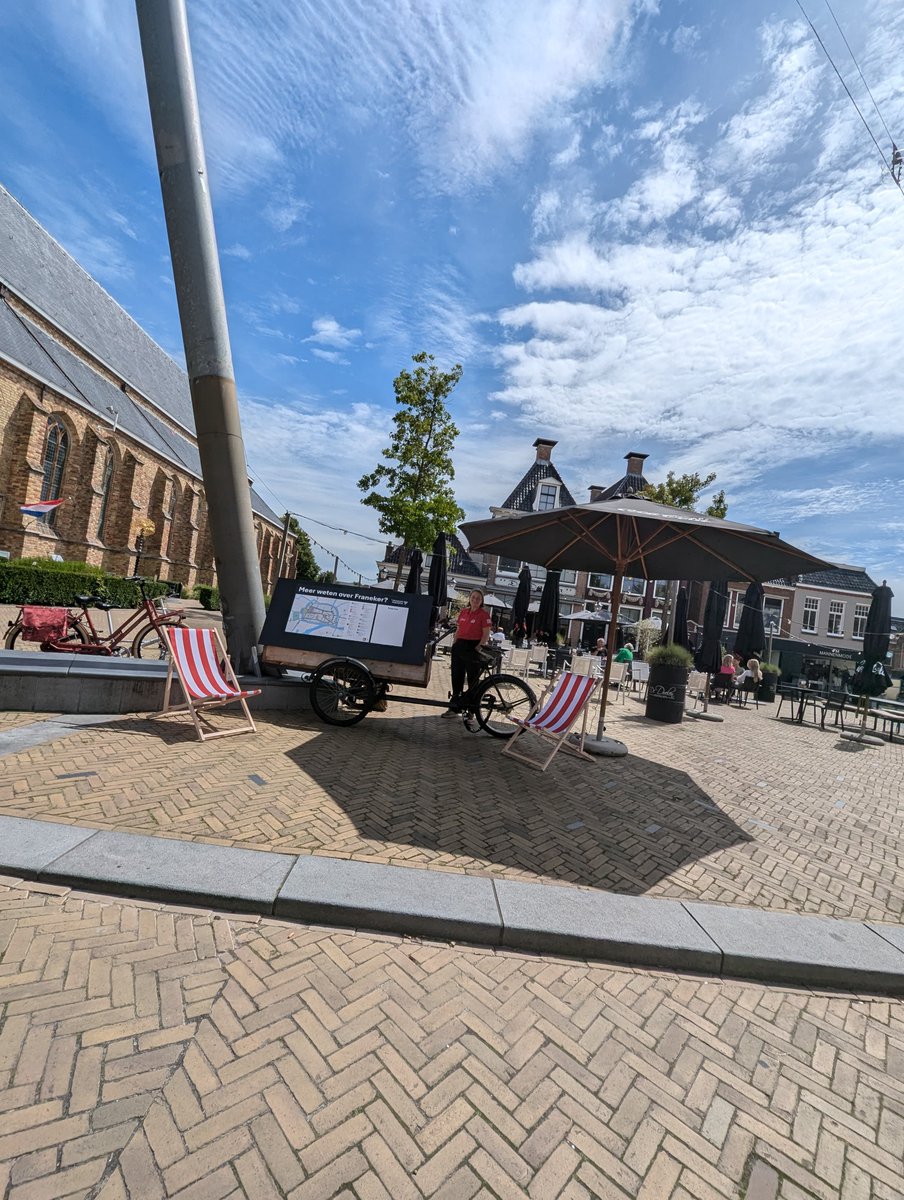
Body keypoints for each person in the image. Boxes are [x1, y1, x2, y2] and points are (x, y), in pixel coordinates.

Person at [443, 589, 492, 716]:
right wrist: (454, 644)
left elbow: (486, 634)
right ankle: (454, 707)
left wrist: (478, 648)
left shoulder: (484, 614)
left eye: (478, 598)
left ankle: (471, 710)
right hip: (459, 646)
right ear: (470, 598)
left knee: (473, 680)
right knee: (456, 677)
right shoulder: (464, 612)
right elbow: (458, 630)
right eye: (473, 597)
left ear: (481, 601)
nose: (475, 600)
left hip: (473, 647)